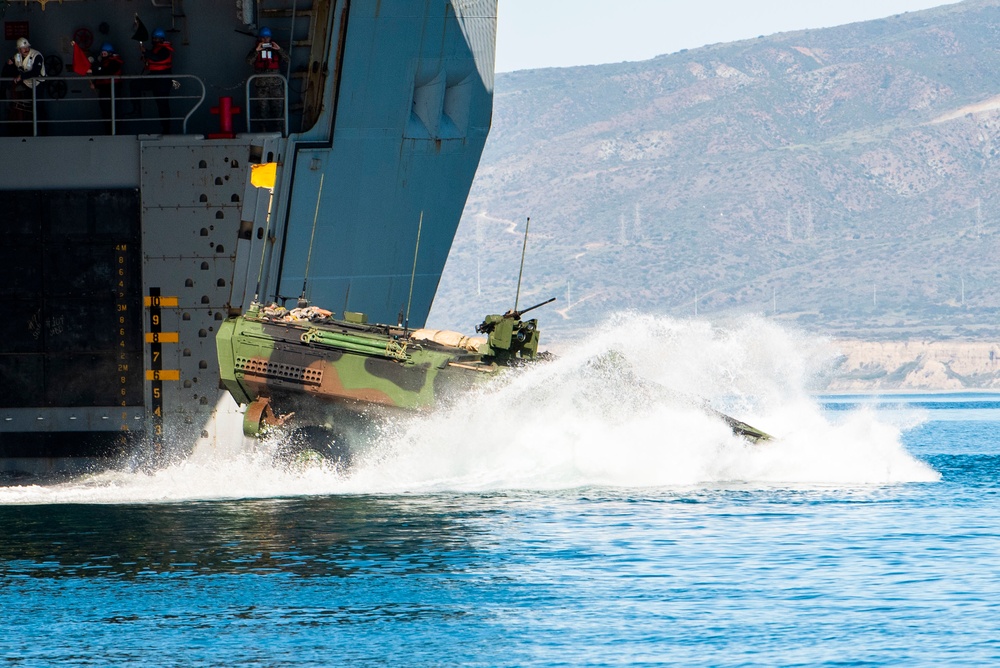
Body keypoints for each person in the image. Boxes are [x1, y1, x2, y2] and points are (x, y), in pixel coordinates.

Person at [246, 27, 289, 133]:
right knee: (262, 110)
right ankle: (263, 131)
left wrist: (279, 49)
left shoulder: (275, 50)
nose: (266, 40)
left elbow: (288, 59)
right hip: (262, 87)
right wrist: (257, 51)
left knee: (278, 109)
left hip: (276, 85)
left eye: (268, 37)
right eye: (263, 38)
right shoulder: (255, 50)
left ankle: (279, 131)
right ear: (260, 38)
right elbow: (248, 61)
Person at [137, 28, 173, 133]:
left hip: (163, 80)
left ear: (161, 39)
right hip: (154, 78)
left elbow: (157, 58)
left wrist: (146, 52)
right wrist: (145, 57)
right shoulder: (154, 49)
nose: (154, 40)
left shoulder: (165, 50)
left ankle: (166, 129)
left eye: (156, 38)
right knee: (135, 85)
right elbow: (152, 59)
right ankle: (136, 109)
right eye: (154, 38)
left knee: (163, 105)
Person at [7, 37, 46, 135]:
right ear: (19, 49)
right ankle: (28, 131)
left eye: (27, 47)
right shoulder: (17, 57)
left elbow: (36, 71)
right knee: (27, 108)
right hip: (27, 85)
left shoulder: (36, 55)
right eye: (23, 48)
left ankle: (41, 132)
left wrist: (22, 76)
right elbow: (10, 66)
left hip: (38, 85)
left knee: (38, 107)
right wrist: (10, 64)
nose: (26, 49)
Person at [89, 43, 124, 133]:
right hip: (106, 90)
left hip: (112, 90)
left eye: (105, 54)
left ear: (110, 53)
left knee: (112, 113)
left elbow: (106, 72)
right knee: (106, 113)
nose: (103, 55)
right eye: (102, 54)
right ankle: (109, 131)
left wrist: (93, 72)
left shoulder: (115, 63)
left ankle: (113, 132)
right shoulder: (105, 63)